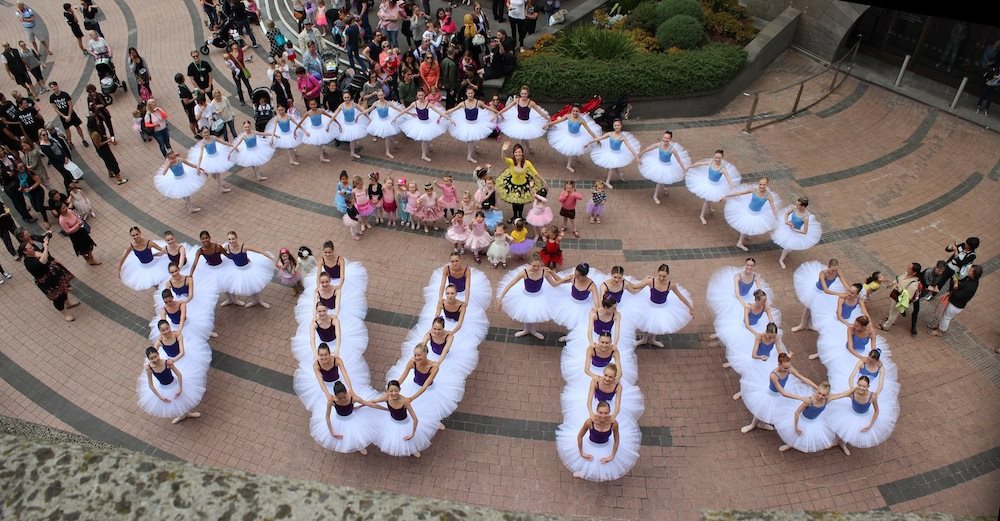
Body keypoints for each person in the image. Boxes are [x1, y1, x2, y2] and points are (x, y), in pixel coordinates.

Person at [556, 401, 640, 481]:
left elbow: (617, 439)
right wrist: (581, 452)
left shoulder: (614, 424)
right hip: (590, 445)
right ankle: (583, 472)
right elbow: (579, 436)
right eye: (600, 412)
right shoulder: (589, 422)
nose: (603, 415)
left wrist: (612, 455)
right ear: (596, 411)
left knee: (603, 465)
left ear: (610, 412)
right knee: (588, 462)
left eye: (606, 413)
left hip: (606, 446)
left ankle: (601, 473)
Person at [624, 264, 695, 347]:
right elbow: (634, 286)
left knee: (656, 324)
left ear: (668, 275)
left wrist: (690, 308)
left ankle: (652, 340)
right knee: (646, 323)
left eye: (664, 276)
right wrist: (623, 280)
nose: (661, 278)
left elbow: (680, 297)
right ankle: (644, 339)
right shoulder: (651, 281)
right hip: (650, 305)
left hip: (663, 307)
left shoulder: (671, 285)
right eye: (660, 275)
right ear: (657, 273)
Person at [775, 381, 853, 454]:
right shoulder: (809, 401)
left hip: (814, 420)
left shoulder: (827, 399)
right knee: (794, 434)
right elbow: (797, 413)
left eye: (823, 395)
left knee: (805, 435)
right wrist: (796, 427)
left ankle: (798, 444)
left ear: (827, 395)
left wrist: (854, 389)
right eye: (819, 393)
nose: (820, 396)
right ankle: (789, 444)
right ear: (817, 390)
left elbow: (842, 394)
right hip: (802, 420)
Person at [312, 380, 382, 455]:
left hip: (352, 418)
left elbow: (368, 403)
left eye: (344, 397)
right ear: (335, 396)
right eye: (339, 398)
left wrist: (384, 408)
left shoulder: (353, 398)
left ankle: (359, 446)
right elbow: (327, 417)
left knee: (355, 433)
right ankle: (352, 445)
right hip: (339, 419)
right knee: (345, 435)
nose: (342, 400)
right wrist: (331, 431)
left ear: (346, 393)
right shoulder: (331, 402)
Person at [19, 234, 79, 320]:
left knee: (63, 290)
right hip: (48, 283)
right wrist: (45, 247)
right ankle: (65, 315)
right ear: (25, 252)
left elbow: (45, 256)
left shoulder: (34, 253)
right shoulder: (29, 262)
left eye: (31, 246)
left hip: (54, 275)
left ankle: (68, 303)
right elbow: (43, 260)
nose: (32, 248)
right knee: (57, 298)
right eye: (30, 248)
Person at [138, 347, 205, 424]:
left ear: (158, 354)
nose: (155, 359)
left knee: (182, 401)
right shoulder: (149, 369)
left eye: (156, 356)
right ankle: (181, 416)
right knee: (174, 404)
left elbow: (179, 374)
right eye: (152, 358)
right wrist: (160, 397)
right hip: (164, 389)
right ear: (148, 359)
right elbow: (150, 384)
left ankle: (188, 413)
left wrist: (180, 388)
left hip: (175, 384)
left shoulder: (167, 363)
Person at [371, 380, 437, 458]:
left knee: (408, 439)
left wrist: (412, 434)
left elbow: (415, 419)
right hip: (392, 421)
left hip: (405, 423)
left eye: (396, 391)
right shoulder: (386, 397)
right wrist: (360, 405)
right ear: (387, 391)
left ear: (400, 390)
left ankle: (412, 450)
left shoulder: (405, 402)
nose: (393, 393)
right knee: (396, 438)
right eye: (391, 391)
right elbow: (373, 401)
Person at [221, 230, 276, 309]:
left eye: (233, 239)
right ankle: (253, 301)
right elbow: (218, 251)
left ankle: (260, 301)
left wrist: (270, 257)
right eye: (229, 239)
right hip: (236, 270)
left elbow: (258, 250)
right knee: (247, 286)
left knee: (254, 286)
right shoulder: (227, 247)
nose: (231, 241)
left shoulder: (243, 247)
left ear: (236, 238)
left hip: (248, 269)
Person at [686, 149, 741, 225]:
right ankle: (702, 216)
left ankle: (709, 209)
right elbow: (701, 163)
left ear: (722, 158)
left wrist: (732, 189)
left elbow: (728, 178)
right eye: (716, 157)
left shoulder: (722, 168)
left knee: (709, 198)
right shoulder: (711, 162)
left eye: (719, 158)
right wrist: (690, 166)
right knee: (707, 200)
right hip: (707, 183)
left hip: (715, 186)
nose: (717, 159)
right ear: (714, 157)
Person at [444, 86, 498, 163]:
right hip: (466, 123)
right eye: (468, 93)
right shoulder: (463, 103)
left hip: (476, 123)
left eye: (471, 93)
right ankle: (469, 156)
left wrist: (498, 112)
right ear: (466, 94)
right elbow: (452, 109)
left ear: (474, 93)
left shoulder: (478, 102)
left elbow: (488, 108)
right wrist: (442, 114)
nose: (470, 95)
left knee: (472, 139)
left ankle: (474, 148)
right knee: (470, 140)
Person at [394, 90, 449, 162]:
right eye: (419, 95)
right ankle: (423, 155)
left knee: (427, 136)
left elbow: (439, 112)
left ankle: (428, 147)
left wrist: (449, 119)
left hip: (427, 122)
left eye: (422, 95)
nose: (420, 97)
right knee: (424, 139)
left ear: (424, 96)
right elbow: (404, 110)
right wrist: (396, 117)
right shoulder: (414, 104)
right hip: (419, 123)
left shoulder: (428, 104)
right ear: (417, 96)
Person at [928, 265, 981, 340]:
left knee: (946, 317)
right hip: (954, 302)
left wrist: (955, 284)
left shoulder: (970, 287)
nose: (968, 271)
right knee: (944, 315)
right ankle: (939, 326)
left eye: (970, 271)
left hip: (955, 305)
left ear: (974, 274)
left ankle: (940, 331)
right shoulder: (970, 279)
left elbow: (958, 295)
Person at [496, 141, 545, 222]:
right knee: (514, 203)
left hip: (524, 185)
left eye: (519, 152)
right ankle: (515, 216)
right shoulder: (511, 162)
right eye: (516, 152)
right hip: (512, 185)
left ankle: (520, 216)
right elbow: (503, 159)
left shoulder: (527, 163)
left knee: (521, 203)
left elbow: (535, 173)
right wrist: (503, 150)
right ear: (513, 153)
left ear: (522, 153)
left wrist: (544, 181)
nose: (518, 154)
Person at [544, 104, 598, 173]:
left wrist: (596, 138)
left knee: (577, 148)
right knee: (571, 150)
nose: (575, 112)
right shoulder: (568, 116)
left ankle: (576, 157)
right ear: (571, 111)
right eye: (573, 111)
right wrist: (548, 124)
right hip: (568, 135)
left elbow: (589, 130)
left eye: (576, 111)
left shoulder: (581, 120)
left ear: (579, 112)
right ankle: (568, 165)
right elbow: (558, 121)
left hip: (577, 136)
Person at [772, 196, 822, 269]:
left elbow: (805, 232)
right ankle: (783, 256)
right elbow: (786, 214)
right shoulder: (795, 208)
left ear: (802, 206)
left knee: (788, 245)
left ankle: (781, 260)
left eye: (798, 204)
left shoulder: (805, 217)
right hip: (787, 228)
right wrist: (786, 221)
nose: (796, 205)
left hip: (795, 232)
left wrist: (794, 229)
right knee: (787, 245)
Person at [497, 86, 548, 151]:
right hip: (518, 122)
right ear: (520, 93)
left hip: (527, 123)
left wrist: (549, 120)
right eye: (522, 93)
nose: (523, 95)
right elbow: (507, 108)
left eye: (525, 94)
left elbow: (540, 112)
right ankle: (529, 148)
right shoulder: (517, 100)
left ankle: (521, 150)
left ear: (528, 94)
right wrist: (498, 113)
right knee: (523, 137)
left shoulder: (531, 103)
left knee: (523, 138)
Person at [118, 226, 169, 291]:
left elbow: (162, 250)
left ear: (140, 233)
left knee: (160, 281)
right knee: (154, 283)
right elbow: (123, 258)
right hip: (143, 267)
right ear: (131, 236)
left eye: (137, 234)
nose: (135, 237)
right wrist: (119, 270)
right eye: (133, 235)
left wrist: (172, 254)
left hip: (154, 264)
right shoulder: (132, 246)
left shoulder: (149, 243)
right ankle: (159, 290)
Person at [188, 126, 233, 194]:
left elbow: (222, 142)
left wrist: (232, 146)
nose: (206, 134)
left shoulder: (213, 137)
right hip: (210, 158)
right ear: (202, 134)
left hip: (217, 155)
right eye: (204, 132)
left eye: (207, 132)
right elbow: (201, 155)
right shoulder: (203, 142)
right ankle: (219, 184)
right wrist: (198, 166)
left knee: (217, 174)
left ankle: (220, 187)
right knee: (214, 175)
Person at [879, 262, 921, 332]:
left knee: (894, 312)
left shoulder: (914, 284)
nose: (907, 268)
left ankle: (886, 326)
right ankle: (891, 320)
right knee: (893, 310)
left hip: (900, 299)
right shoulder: (906, 274)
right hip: (896, 295)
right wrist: (892, 284)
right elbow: (899, 279)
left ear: (914, 273)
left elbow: (908, 296)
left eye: (909, 268)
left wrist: (899, 289)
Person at [48, 82, 88, 149]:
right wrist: (64, 116)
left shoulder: (65, 94)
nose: (53, 88)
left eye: (54, 86)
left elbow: (70, 105)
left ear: (57, 86)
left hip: (71, 114)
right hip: (63, 116)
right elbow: (55, 109)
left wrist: (69, 115)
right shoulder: (52, 97)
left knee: (77, 126)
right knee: (67, 130)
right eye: (51, 87)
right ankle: (69, 142)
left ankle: (83, 140)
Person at [364, 89, 403, 158]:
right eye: (379, 95)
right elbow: (368, 110)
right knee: (387, 135)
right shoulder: (376, 103)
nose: (380, 96)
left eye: (382, 95)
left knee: (388, 134)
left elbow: (398, 109)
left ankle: (390, 147)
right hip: (379, 121)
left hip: (387, 120)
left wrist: (408, 112)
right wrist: (359, 113)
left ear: (384, 95)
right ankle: (388, 151)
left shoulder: (388, 103)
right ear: (377, 96)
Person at [331, 92, 370, 159]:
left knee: (354, 136)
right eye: (345, 98)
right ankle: (352, 153)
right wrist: (330, 121)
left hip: (353, 123)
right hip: (346, 124)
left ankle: (354, 147)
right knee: (352, 138)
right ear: (343, 98)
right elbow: (335, 114)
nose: (346, 99)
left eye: (348, 97)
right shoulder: (341, 106)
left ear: (350, 97)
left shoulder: (354, 104)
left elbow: (362, 110)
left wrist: (368, 118)